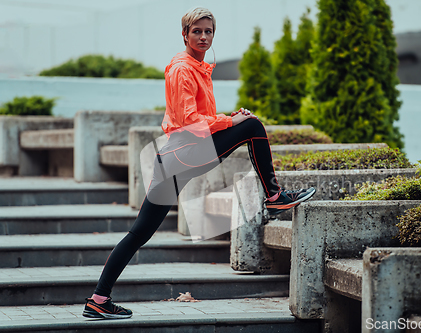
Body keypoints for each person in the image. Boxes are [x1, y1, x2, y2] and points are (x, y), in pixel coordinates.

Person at [82, 7, 315, 319]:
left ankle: (98, 299)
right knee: (252, 126)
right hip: (184, 154)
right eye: (197, 31)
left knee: (139, 233)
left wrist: (230, 120)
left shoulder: (199, 67)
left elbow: (201, 119)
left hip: (179, 158)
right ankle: (274, 197)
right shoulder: (182, 69)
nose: (203, 37)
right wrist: (232, 122)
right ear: (185, 34)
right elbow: (190, 121)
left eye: (208, 32)